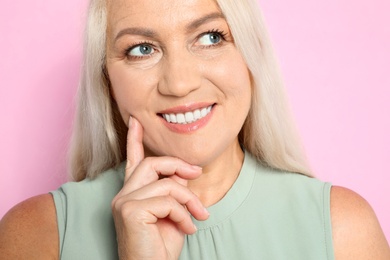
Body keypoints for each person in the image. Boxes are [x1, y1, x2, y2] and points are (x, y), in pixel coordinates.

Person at [0, 0, 389, 259]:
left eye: (210, 37)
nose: (180, 82)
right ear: (107, 82)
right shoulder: (37, 236)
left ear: (251, 58)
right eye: (142, 49)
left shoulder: (343, 231)